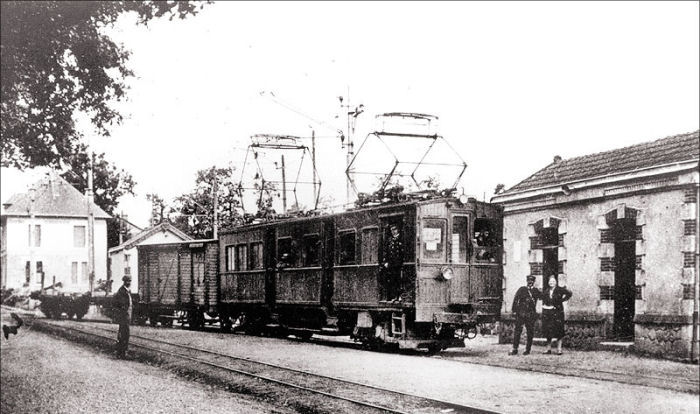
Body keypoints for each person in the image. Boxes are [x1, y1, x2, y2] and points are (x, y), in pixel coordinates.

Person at [509, 275, 541, 355]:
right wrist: (514, 310)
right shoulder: (522, 289)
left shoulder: (536, 291)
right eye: (529, 281)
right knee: (517, 331)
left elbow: (543, 297)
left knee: (530, 332)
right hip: (521, 314)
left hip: (531, 314)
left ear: (534, 282)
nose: (530, 283)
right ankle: (515, 349)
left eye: (532, 281)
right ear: (527, 281)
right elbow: (516, 299)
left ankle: (528, 349)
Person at [541, 275, 573, 355]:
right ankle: (548, 349)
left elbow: (569, 293)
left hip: (558, 313)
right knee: (548, 330)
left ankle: (559, 349)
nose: (551, 283)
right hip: (548, 313)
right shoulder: (546, 291)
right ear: (548, 283)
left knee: (559, 330)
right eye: (550, 282)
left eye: (553, 281)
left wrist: (562, 300)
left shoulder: (560, 289)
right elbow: (544, 299)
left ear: (556, 283)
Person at [382, 224, 404, 302]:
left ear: (398, 230)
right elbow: (386, 251)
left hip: (399, 264)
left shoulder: (401, 238)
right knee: (393, 280)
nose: (393, 231)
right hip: (392, 264)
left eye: (394, 229)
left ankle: (400, 296)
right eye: (392, 230)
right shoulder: (390, 240)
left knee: (399, 280)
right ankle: (394, 296)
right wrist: (386, 261)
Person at [113, 275, 133, 358]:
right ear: (124, 282)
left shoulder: (127, 291)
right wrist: (123, 312)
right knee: (124, 334)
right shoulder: (122, 291)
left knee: (124, 334)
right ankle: (122, 352)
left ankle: (121, 352)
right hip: (124, 316)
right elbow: (120, 304)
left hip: (127, 315)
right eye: (127, 281)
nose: (129, 282)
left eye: (130, 281)